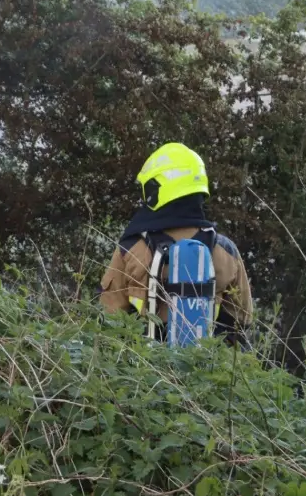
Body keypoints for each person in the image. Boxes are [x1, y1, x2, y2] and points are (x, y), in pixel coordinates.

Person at [99, 142, 253, 345]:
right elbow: (241, 321)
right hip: (207, 362)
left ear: (156, 188)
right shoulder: (225, 251)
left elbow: (107, 318)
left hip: (142, 362)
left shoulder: (132, 249)